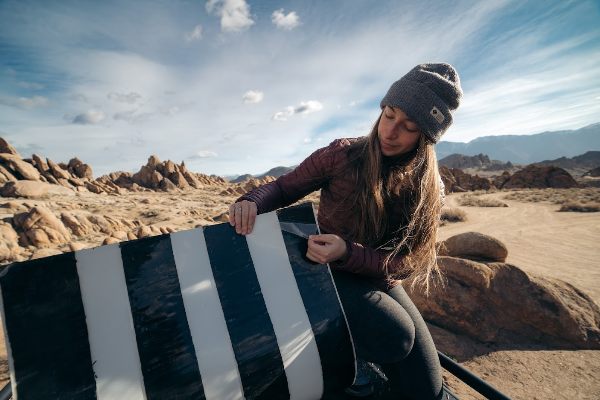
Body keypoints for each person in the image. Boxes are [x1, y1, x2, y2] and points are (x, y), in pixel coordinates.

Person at [229, 63, 462, 400]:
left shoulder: (428, 188)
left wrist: (348, 252)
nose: (390, 132)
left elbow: (407, 262)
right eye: (389, 114)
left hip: (374, 276)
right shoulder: (342, 154)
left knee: (426, 390)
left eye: (408, 127)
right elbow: (282, 188)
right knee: (396, 334)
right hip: (324, 272)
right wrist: (251, 200)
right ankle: (352, 362)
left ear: (425, 137)